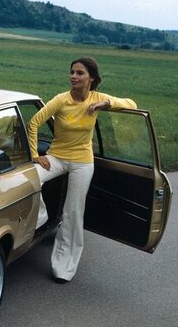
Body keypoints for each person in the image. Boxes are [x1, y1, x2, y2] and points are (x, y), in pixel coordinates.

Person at [27, 57, 137, 283]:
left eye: (79, 73)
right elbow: (34, 123)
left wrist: (105, 104)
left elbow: (132, 104)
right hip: (56, 156)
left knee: (72, 213)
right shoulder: (61, 99)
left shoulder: (98, 98)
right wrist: (36, 156)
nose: (73, 77)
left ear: (92, 78)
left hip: (82, 162)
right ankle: (41, 216)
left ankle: (63, 267)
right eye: (72, 72)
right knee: (28, 181)